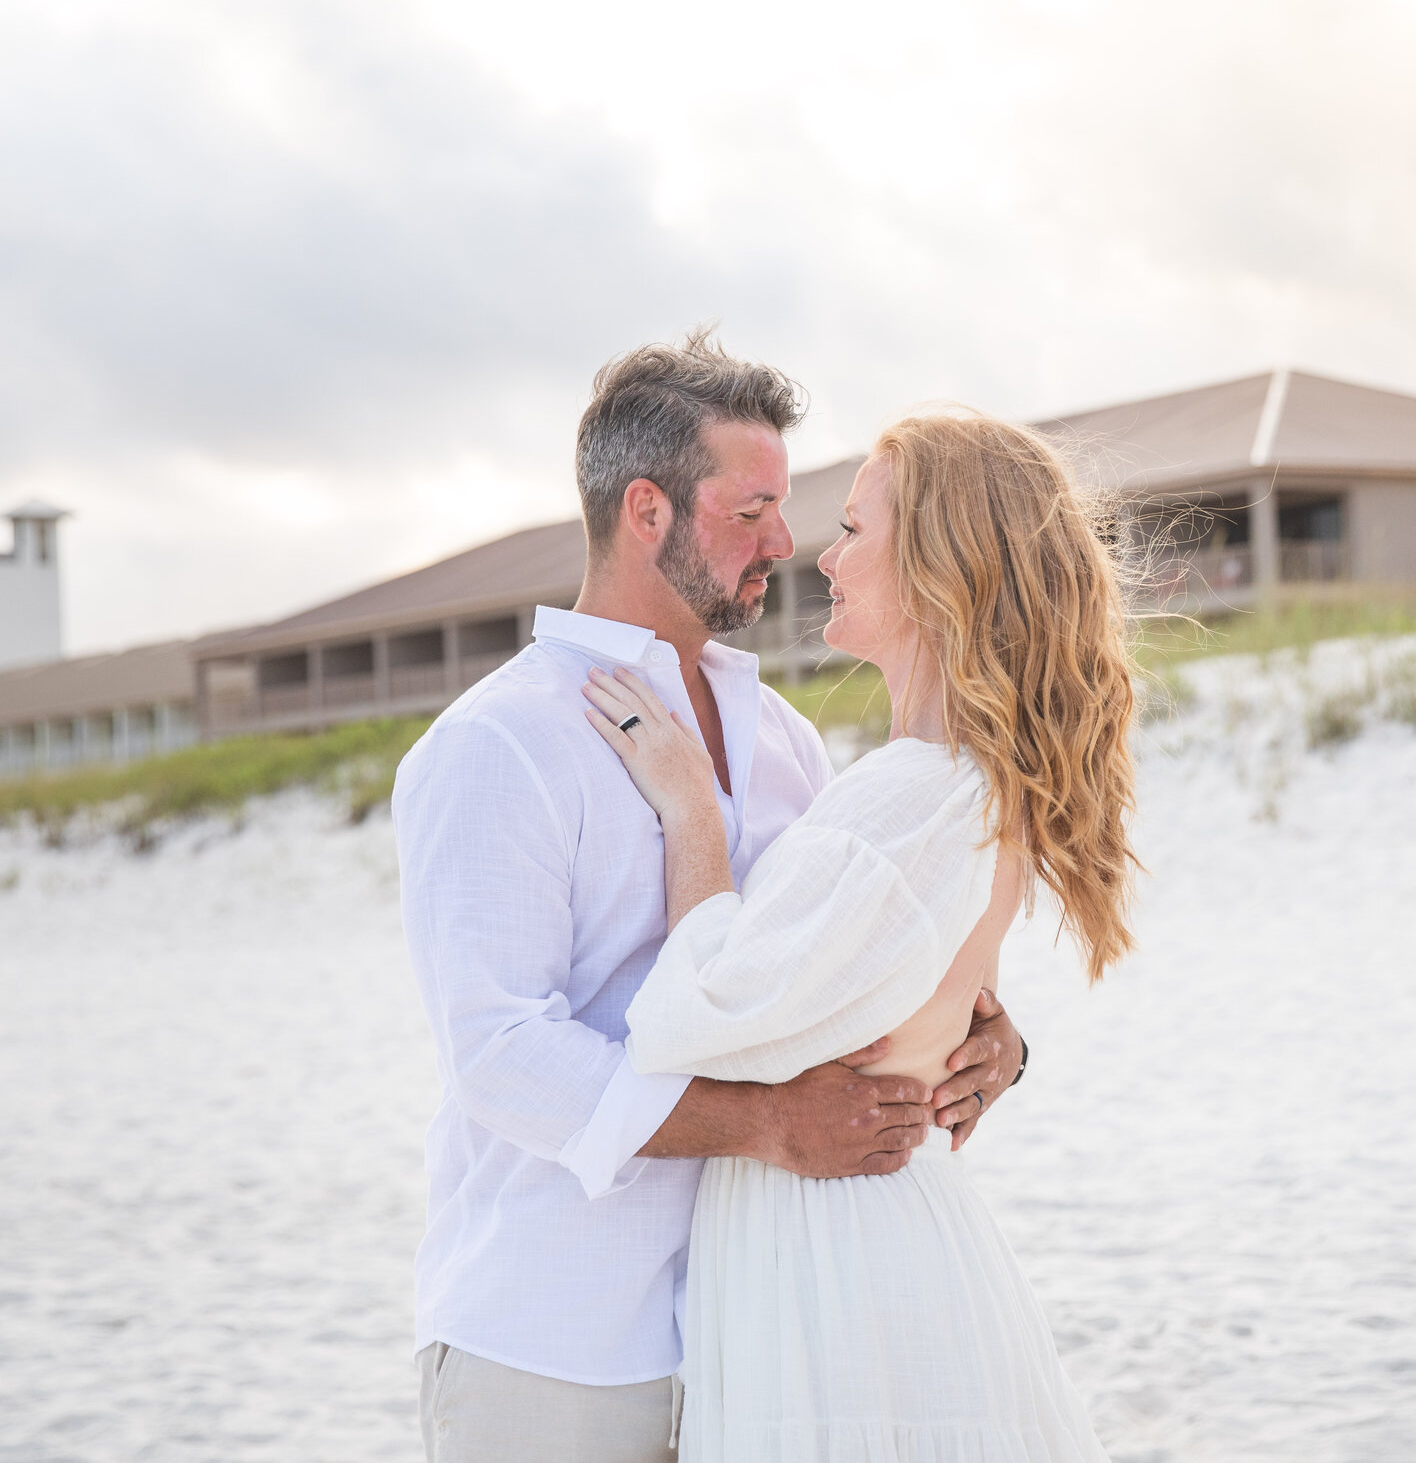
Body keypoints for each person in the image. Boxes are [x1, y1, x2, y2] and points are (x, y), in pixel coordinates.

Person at [392, 334, 1028, 1463]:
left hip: (762, 1331)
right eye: (751, 511)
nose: (786, 543)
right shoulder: (497, 744)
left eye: (789, 509)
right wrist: (762, 1125)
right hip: (559, 1342)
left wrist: (988, 1033)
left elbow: (846, 953)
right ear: (647, 511)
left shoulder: (782, 736)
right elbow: (498, 1053)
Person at [579, 408, 1140, 1459]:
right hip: (875, 1221)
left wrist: (690, 814)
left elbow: (690, 1021)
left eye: (851, 527)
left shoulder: (917, 791)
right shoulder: (958, 784)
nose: (823, 554)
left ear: (936, 563)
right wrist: (997, 1046)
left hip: (832, 1246)